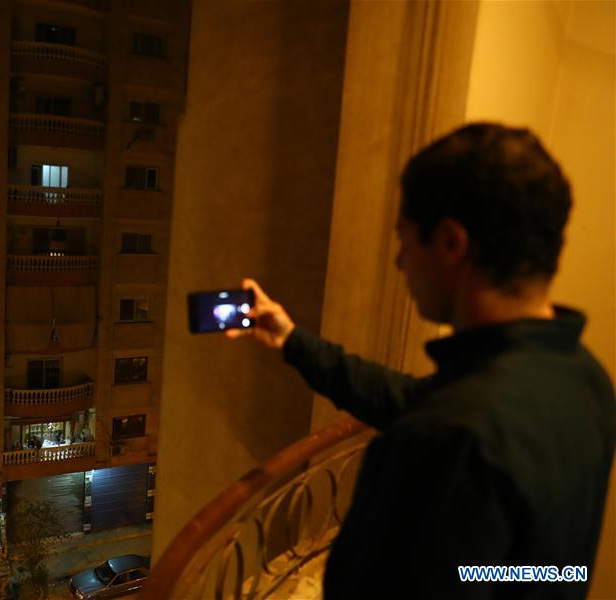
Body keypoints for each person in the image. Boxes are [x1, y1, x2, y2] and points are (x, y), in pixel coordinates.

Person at [228, 123, 615, 598]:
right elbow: (534, 569)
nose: (400, 261)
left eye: (405, 239)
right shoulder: (585, 378)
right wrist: (291, 339)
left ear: (451, 243)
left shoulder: (450, 438)